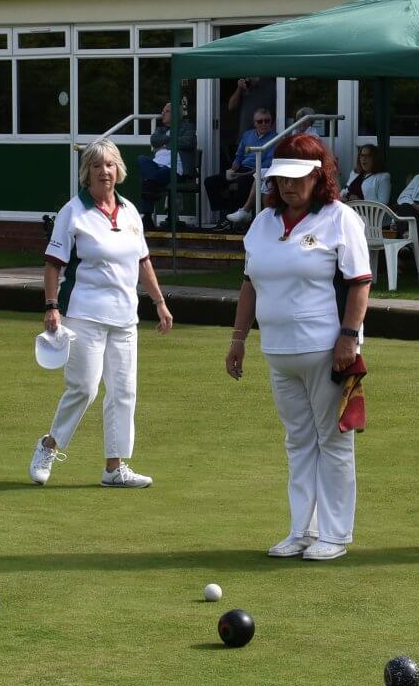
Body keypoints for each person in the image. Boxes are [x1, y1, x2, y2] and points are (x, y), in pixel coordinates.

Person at [225, 134, 373, 561]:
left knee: (333, 440)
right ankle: (301, 530)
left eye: (297, 178)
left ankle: (335, 534)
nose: (288, 187)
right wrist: (238, 339)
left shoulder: (339, 218)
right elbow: (250, 284)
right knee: (298, 440)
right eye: (281, 179)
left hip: (327, 350)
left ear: (317, 175)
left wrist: (348, 337)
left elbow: (359, 283)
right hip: (279, 351)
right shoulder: (263, 223)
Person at [31, 139, 175, 488]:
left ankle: (114, 468)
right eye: (97, 166)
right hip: (84, 314)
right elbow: (52, 266)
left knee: (124, 391)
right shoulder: (73, 212)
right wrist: (52, 307)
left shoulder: (129, 212)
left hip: (125, 317)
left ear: (118, 170)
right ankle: (49, 446)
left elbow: (142, 261)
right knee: (84, 387)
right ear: (88, 173)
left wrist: (159, 301)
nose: (104, 171)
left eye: (109, 165)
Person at [207, 105, 280, 225]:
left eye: (267, 121)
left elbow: (267, 163)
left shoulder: (275, 138)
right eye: (260, 121)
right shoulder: (247, 135)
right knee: (211, 182)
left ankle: (242, 218)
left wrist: (243, 173)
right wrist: (233, 169)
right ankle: (224, 214)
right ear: (254, 123)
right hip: (241, 169)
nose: (264, 124)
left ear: (271, 122)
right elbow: (239, 155)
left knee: (243, 183)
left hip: (256, 172)